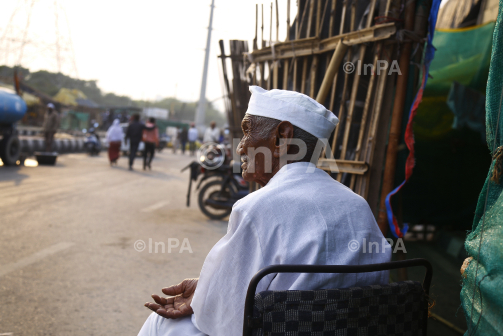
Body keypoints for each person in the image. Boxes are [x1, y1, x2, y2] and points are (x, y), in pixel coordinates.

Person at [138, 86, 391, 336]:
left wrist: (207, 297)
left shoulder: (257, 208)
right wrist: (206, 289)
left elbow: (227, 317)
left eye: (247, 131)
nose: (241, 147)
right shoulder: (358, 205)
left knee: (159, 323)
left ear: (281, 137)